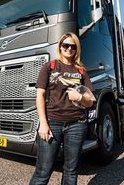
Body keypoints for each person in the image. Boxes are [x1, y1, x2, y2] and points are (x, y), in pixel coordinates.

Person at [29, 33, 95, 185]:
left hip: (77, 124)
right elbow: (40, 95)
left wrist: (79, 98)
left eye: (73, 46)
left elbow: (90, 101)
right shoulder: (50, 66)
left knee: (71, 172)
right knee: (43, 172)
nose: (69, 49)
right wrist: (43, 124)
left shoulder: (81, 71)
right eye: (66, 45)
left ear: (76, 49)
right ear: (60, 47)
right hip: (53, 123)